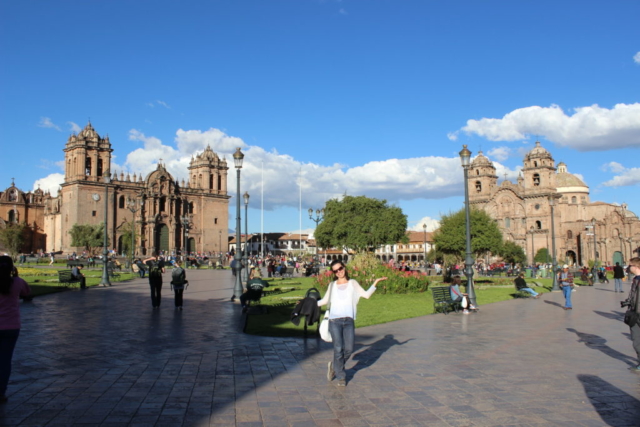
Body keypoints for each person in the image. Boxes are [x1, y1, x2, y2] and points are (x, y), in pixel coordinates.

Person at [317, 260, 387, 387]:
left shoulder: (353, 283)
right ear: (333, 273)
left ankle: (334, 366)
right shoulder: (332, 285)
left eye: (340, 268)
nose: (339, 272)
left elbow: (366, 295)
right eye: (336, 270)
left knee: (349, 349)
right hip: (334, 321)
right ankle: (341, 377)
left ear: (344, 268)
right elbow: (324, 301)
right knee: (338, 349)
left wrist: (375, 282)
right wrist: (307, 303)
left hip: (348, 321)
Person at [0, 256, 31, 403]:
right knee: (5, 361)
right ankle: (1, 393)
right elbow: (27, 293)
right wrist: (16, 276)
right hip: (11, 326)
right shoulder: (17, 282)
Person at [623, 257, 640, 372]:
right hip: (635, 314)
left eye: (630, 266)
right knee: (636, 340)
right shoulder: (635, 280)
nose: (629, 267)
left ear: (636, 267)